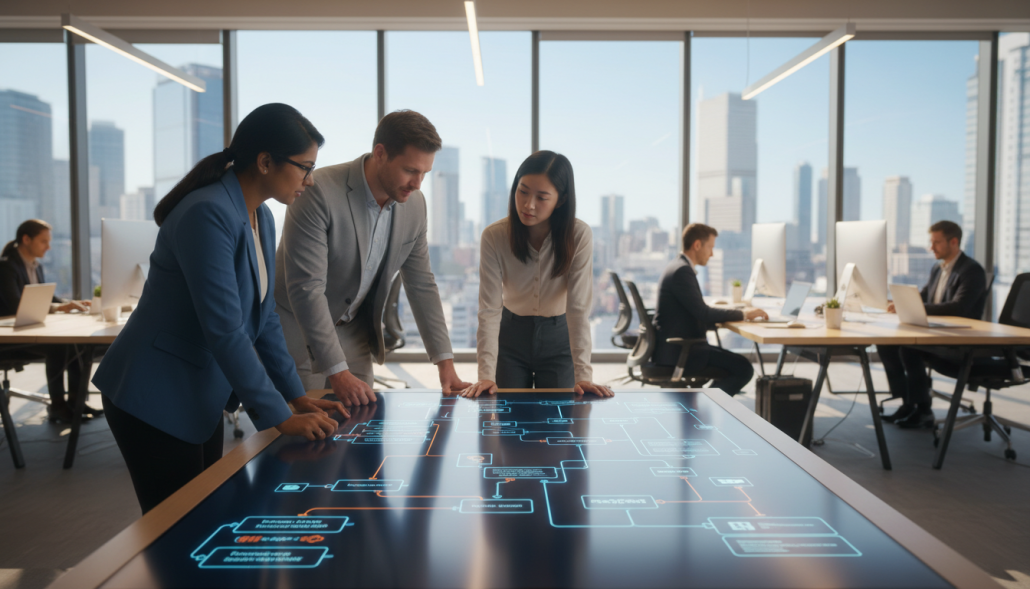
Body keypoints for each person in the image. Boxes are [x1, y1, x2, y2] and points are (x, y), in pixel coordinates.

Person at [92, 104, 347, 514]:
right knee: (176, 531)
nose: (311, 181)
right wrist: (279, 416)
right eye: (305, 167)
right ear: (265, 162)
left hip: (198, 392)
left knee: (204, 521)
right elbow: (226, 329)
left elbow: (263, 323)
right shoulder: (207, 212)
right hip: (154, 395)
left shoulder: (260, 216)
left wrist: (296, 397)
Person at [275, 110, 470, 405]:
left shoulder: (414, 205)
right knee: (307, 439)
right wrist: (338, 373)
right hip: (302, 334)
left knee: (361, 432)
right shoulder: (319, 192)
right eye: (410, 171)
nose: (417, 184)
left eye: (424, 174)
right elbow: (306, 288)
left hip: (354, 334)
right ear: (380, 154)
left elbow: (421, 284)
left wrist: (445, 364)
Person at [461, 151, 613, 398]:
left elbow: (578, 308)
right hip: (510, 338)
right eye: (522, 191)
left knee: (557, 423)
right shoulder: (494, 236)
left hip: (559, 338)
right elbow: (489, 309)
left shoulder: (579, 235)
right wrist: (485, 375)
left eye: (542, 197)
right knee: (508, 421)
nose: (528, 204)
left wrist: (584, 374)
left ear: (561, 200)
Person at [879, 220, 987, 429]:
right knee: (886, 345)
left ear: (953, 242)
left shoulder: (972, 271)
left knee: (908, 350)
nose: (931, 248)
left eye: (936, 243)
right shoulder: (938, 269)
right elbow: (924, 296)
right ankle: (907, 402)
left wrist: (920, 308)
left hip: (961, 340)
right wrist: (900, 303)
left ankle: (923, 410)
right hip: (937, 332)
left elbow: (959, 308)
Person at [651, 223, 768, 396]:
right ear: (697, 245)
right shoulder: (682, 271)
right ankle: (708, 403)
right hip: (682, 351)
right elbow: (703, 313)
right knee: (743, 369)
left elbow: (698, 311)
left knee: (736, 364)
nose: (712, 254)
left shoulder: (678, 266)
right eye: (710, 247)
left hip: (678, 346)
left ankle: (705, 401)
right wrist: (744, 314)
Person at [0, 219, 96, 423]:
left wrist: (71, 303)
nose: (48, 247)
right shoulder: (6, 267)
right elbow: (17, 306)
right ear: (26, 239)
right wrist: (60, 307)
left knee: (76, 343)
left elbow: (45, 298)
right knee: (58, 347)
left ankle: (76, 404)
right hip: (10, 337)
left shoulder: (36, 266)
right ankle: (57, 406)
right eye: (44, 241)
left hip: (28, 330)